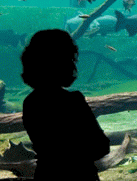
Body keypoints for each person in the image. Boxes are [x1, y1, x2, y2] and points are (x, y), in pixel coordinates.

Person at [21, 29, 110, 181]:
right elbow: (100, 147)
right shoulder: (73, 101)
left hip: (47, 174)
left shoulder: (30, 102)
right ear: (66, 62)